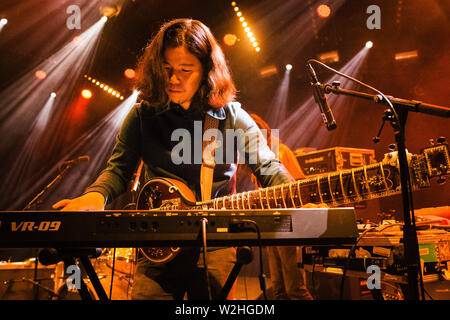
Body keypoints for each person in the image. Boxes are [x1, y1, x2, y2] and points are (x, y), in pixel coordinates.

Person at [53, 19, 294, 300]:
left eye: (185, 70)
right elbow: (118, 171)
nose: (173, 79)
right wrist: (94, 195)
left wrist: (297, 195)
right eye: (166, 69)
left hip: (215, 244)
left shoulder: (232, 118)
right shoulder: (143, 116)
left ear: (207, 71)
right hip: (156, 244)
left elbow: (268, 167)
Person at [238, 113, 313, 300]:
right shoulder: (258, 156)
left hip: (287, 224)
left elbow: (299, 186)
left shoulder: (279, 151)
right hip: (273, 223)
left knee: (294, 288)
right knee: (278, 288)